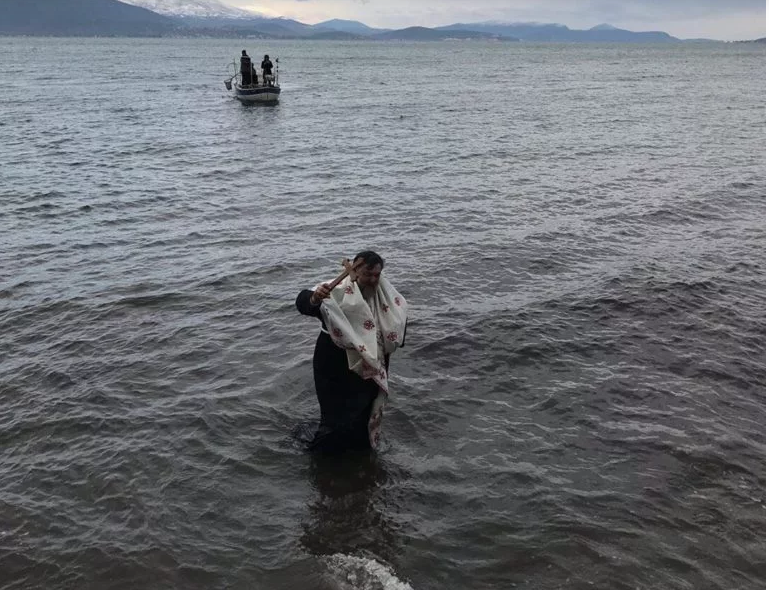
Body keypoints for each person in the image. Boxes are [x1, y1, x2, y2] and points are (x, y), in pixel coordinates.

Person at [295, 251, 408, 453]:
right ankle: (324, 461)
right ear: (354, 270)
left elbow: (397, 321)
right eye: (367, 274)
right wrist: (315, 297)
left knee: (364, 411)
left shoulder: (385, 296)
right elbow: (304, 303)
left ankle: (360, 458)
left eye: (377, 275)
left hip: (372, 365)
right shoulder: (334, 291)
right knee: (335, 416)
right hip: (335, 365)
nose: (373, 280)